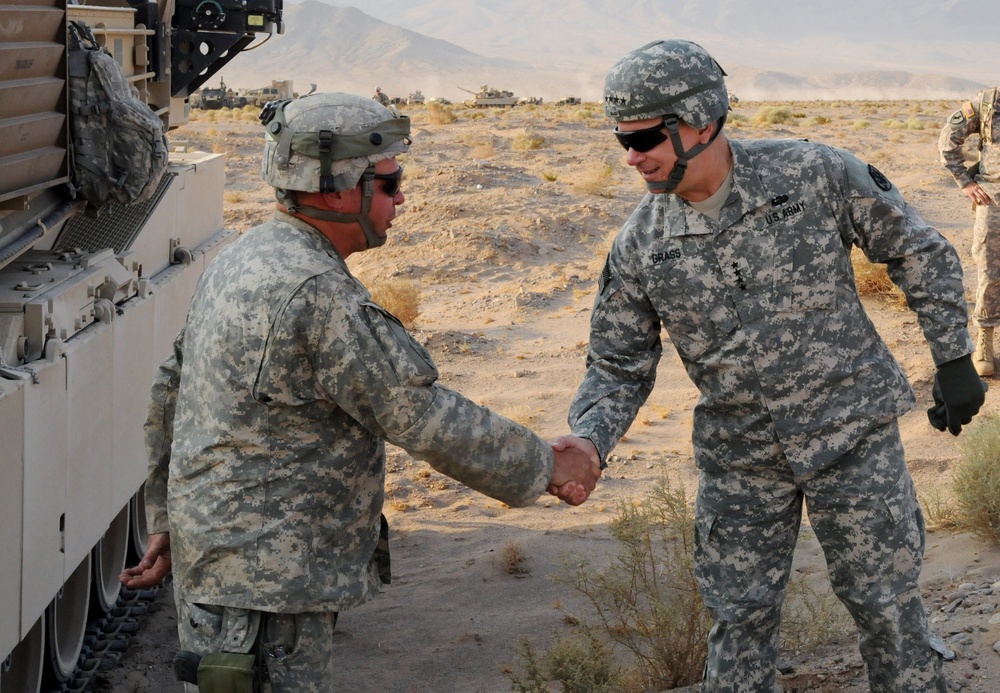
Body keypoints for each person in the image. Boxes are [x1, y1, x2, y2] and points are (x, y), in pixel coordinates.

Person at [119, 92, 600, 691]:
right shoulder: (319, 292)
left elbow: (171, 390)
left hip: (223, 566)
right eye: (390, 181)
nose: (401, 198)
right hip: (267, 593)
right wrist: (547, 466)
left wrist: (167, 516)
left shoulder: (242, 257)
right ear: (336, 189)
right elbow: (420, 414)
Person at [555, 40, 986, 692]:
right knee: (738, 621)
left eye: (646, 136)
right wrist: (589, 435)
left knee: (889, 607)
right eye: (623, 139)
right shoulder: (641, 242)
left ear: (702, 120)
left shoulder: (813, 172)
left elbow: (918, 248)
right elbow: (617, 364)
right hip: (741, 458)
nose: (632, 155)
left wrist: (953, 357)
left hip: (852, 437)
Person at [939, 87, 1000, 377]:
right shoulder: (989, 102)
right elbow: (948, 139)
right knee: (990, 272)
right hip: (995, 200)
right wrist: (965, 182)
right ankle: (985, 339)